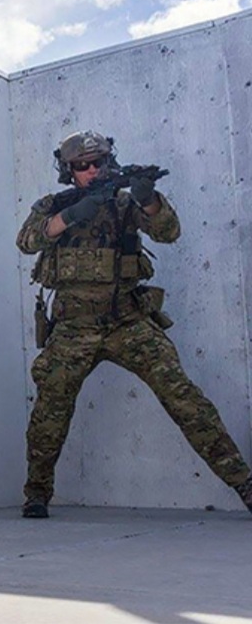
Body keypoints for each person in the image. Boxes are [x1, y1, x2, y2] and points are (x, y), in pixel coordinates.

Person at [17, 130, 252, 518]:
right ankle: (37, 493)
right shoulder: (55, 205)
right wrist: (71, 215)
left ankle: (243, 482)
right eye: (82, 166)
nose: (92, 171)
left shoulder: (124, 204)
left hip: (127, 321)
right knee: (51, 409)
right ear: (68, 170)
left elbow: (168, 232)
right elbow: (26, 241)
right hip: (74, 327)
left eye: (97, 163)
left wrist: (148, 198)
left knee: (184, 397)